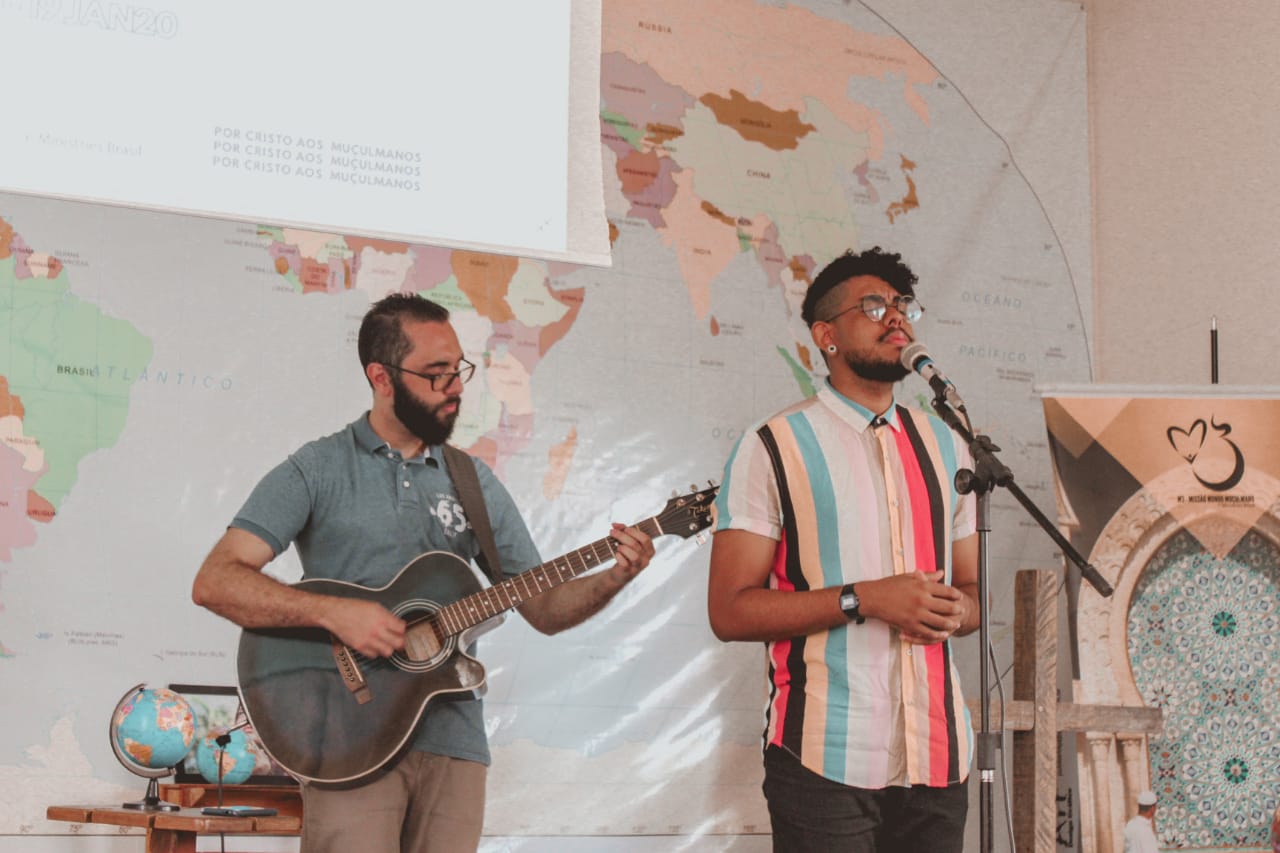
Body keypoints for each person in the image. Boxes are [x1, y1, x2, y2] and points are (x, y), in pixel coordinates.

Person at [191, 293, 655, 853]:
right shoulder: (318, 468)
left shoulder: (472, 481)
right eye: (436, 374)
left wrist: (614, 575)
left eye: (458, 369)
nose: (456, 387)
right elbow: (216, 580)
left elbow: (545, 607)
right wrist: (334, 613)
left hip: (454, 742)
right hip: (348, 742)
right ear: (381, 377)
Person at [707, 247, 980, 853]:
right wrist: (866, 599)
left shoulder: (949, 445)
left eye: (903, 306)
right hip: (822, 760)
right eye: (875, 306)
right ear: (826, 336)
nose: (897, 320)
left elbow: (972, 591)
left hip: (938, 758)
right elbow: (730, 611)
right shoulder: (774, 445)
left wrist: (954, 612)